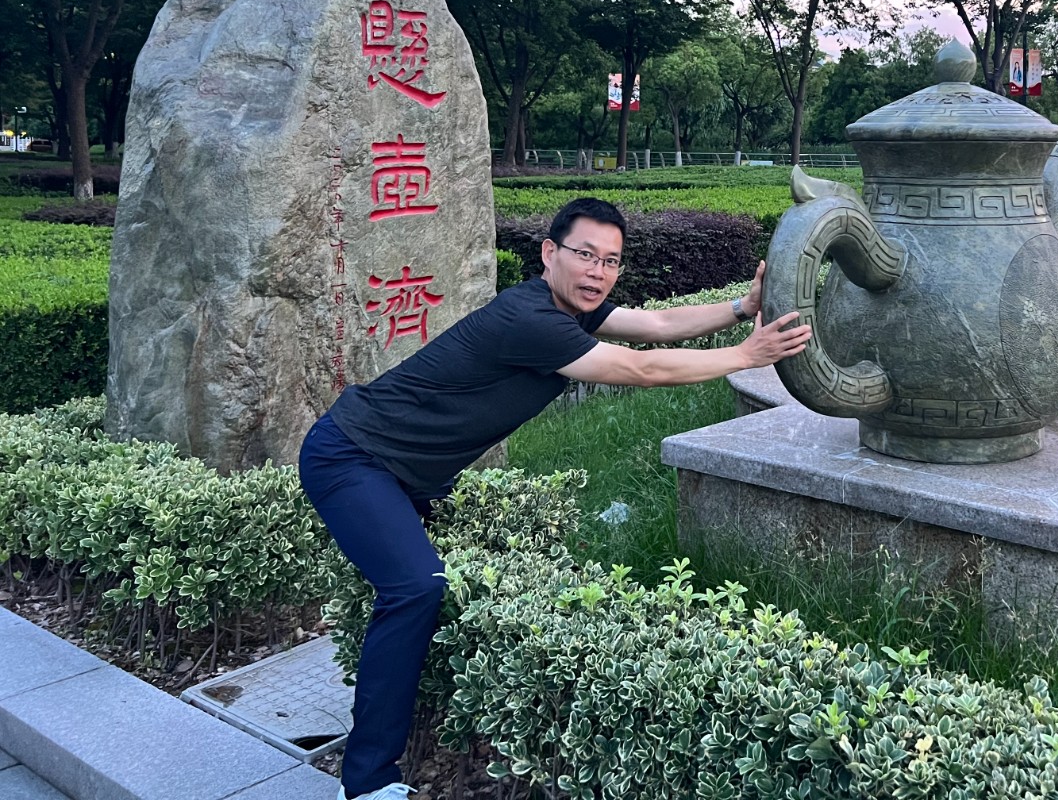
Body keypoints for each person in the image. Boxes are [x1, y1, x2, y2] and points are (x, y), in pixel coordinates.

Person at [298, 197, 812, 800]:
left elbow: (653, 325)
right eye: (585, 255)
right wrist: (745, 356)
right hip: (353, 455)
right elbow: (640, 369)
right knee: (415, 588)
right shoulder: (531, 319)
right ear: (549, 253)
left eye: (611, 261)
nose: (598, 272)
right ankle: (366, 781)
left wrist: (741, 308)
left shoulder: (568, 312)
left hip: (405, 472)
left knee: (416, 590)